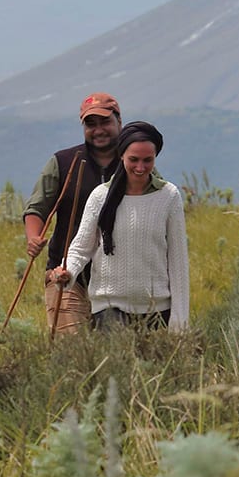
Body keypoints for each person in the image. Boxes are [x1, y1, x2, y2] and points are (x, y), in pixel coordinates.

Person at [20, 92, 165, 333]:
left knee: (115, 353)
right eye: (91, 124)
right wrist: (33, 238)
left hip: (120, 280)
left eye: (105, 122)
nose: (98, 130)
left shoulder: (135, 163)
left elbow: (157, 205)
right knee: (71, 351)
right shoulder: (64, 162)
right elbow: (37, 208)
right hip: (66, 274)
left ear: (119, 121)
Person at [49, 120, 188, 331]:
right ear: (121, 155)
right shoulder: (100, 196)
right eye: (133, 159)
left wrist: (179, 321)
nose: (140, 168)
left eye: (147, 160)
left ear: (155, 158)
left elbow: (178, 261)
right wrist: (67, 271)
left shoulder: (169, 196)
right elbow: (81, 248)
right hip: (108, 307)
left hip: (157, 310)